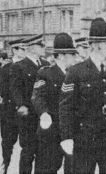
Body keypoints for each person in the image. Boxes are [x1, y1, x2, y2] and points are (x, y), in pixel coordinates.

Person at [59, 18, 106, 173]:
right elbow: (66, 108)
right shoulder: (76, 72)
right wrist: (67, 137)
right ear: (95, 45)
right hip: (85, 141)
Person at [31, 33, 78, 174]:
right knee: (47, 168)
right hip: (51, 129)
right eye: (72, 54)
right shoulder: (45, 73)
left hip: (70, 130)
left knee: (73, 168)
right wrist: (44, 113)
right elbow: (37, 96)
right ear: (62, 55)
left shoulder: (76, 74)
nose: (75, 57)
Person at [9, 34, 50, 174]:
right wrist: (21, 105)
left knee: (43, 153)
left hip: (43, 115)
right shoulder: (18, 67)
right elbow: (15, 89)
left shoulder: (46, 65)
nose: (44, 48)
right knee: (28, 152)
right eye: (41, 46)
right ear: (32, 48)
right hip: (28, 116)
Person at [0, 51, 17, 174]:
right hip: (9, 110)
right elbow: (3, 89)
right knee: (7, 140)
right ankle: (5, 164)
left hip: (26, 110)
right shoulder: (5, 69)